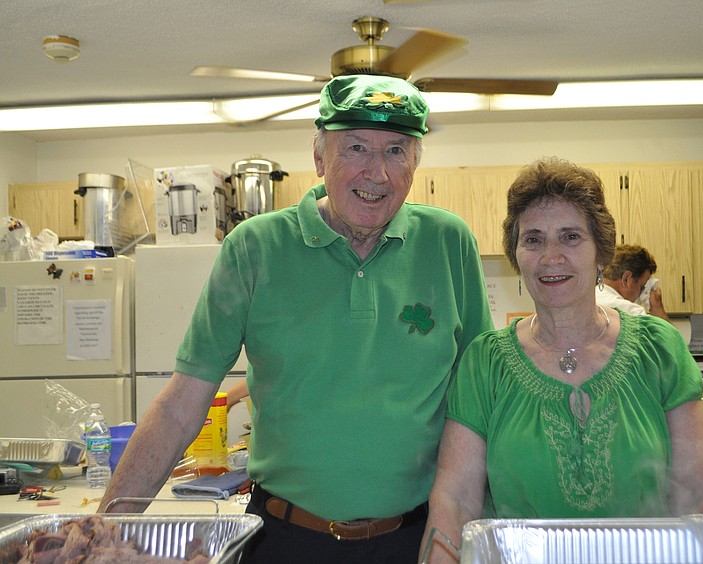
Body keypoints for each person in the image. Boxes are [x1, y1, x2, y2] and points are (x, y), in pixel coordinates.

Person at [99, 74, 494, 564]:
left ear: (416, 161)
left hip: (413, 540)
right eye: (355, 148)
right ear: (318, 158)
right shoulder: (254, 247)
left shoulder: (449, 242)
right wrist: (102, 530)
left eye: (396, 150)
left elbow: (481, 403)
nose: (378, 174)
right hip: (283, 540)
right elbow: (182, 405)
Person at [420, 158, 703, 562]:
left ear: (602, 254)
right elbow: (455, 499)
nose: (551, 256)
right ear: (517, 256)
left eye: (570, 237)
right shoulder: (485, 362)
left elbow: (699, 491)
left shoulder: (659, 350)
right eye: (533, 239)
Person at [596, 244, 671, 321]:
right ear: (626, 279)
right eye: (642, 287)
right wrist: (657, 307)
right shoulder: (631, 312)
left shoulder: (591, 298)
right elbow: (669, 333)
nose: (640, 295)